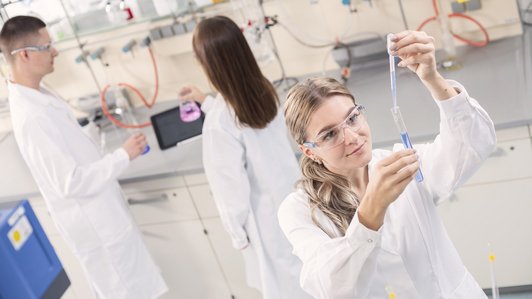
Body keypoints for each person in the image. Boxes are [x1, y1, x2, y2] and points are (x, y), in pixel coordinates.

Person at [279, 30, 496, 298]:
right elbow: (332, 288)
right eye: (329, 134)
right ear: (309, 152)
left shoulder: (399, 164)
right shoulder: (299, 210)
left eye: (352, 118)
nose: (351, 136)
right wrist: (372, 211)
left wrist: (432, 78)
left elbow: (474, 144)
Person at [1, 16, 167, 299]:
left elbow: (67, 145)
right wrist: (122, 156)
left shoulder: (38, 93)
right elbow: (70, 182)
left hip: (105, 217)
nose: (55, 51)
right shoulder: (31, 116)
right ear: (25, 55)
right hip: (97, 228)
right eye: (46, 46)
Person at [179, 15, 311, 299]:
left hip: (266, 224)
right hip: (297, 203)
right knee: (309, 280)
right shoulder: (265, 91)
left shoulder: (219, 123)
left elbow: (230, 194)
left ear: (210, 64)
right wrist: (207, 102)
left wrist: (238, 237)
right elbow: (245, 125)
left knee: (287, 289)